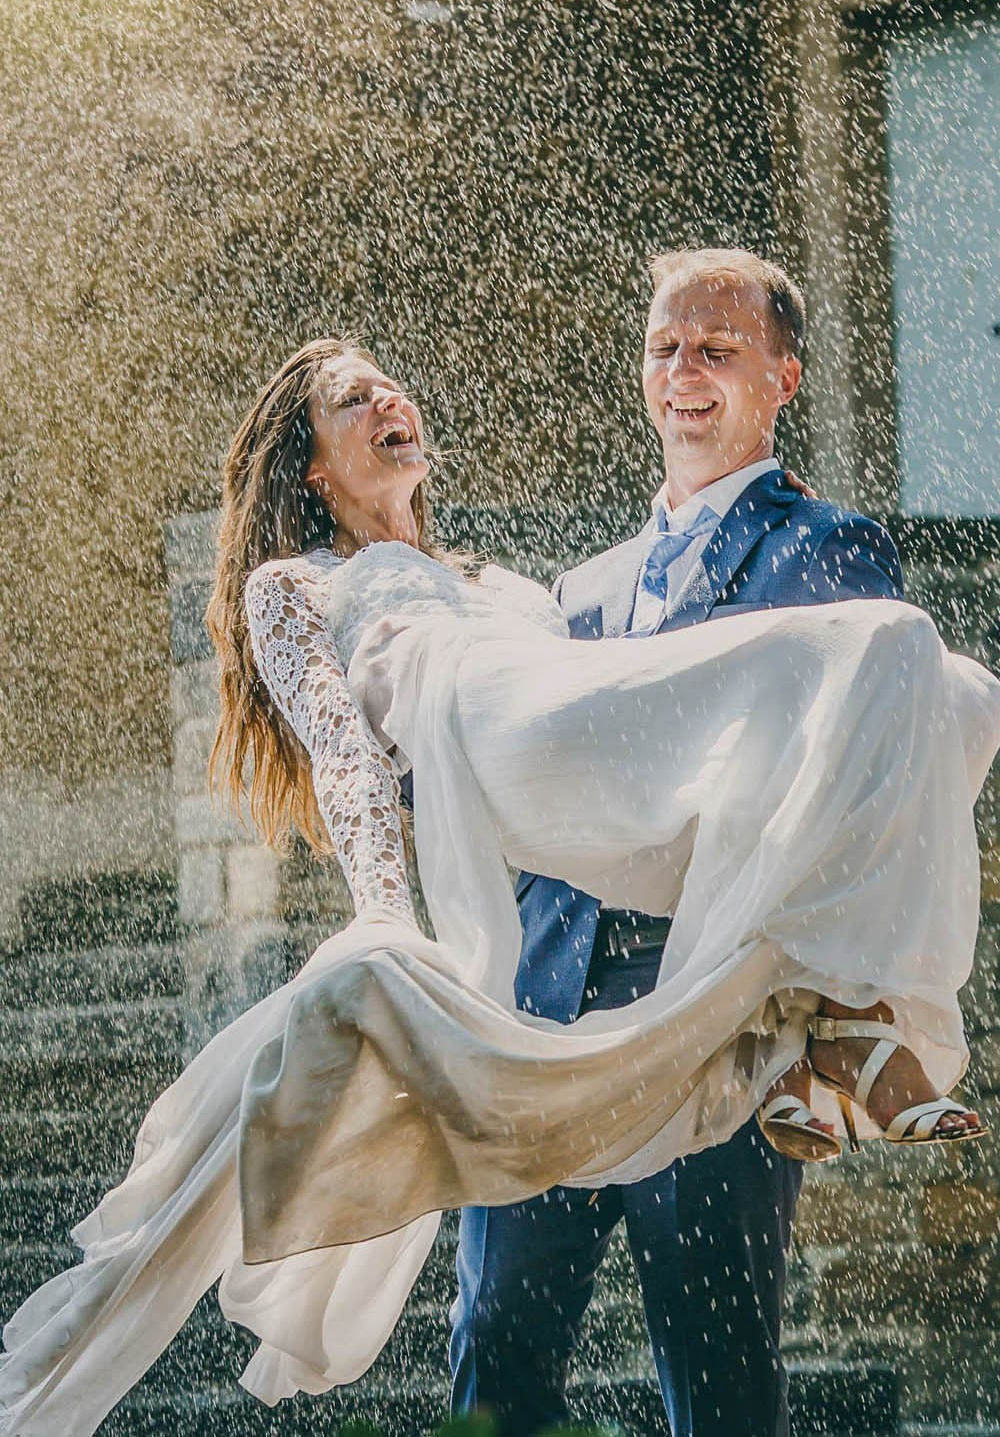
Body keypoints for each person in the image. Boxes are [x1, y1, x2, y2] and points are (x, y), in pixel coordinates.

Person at [2, 283, 998, 1434]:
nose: (385, 395)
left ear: (780, 377)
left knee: (955, 688)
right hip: (533, 890)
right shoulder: (307, 583)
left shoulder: (524, 590)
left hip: (667, 899)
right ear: (312, 469)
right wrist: (385, 913)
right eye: (347, 397)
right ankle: (860, 1013)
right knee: (502, 1342)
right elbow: (344, 754)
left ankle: (847, 1010)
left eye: (385, 379)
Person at [450, 244, 980, 1436]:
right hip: (543, 1013)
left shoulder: (832, 553)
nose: (681, 371)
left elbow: (840, 775)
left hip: (709, 1023)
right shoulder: (578, 593)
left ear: (782, 378)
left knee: (718, 1370)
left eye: (716, 349)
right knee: (493, 1347)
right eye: (663, 347)